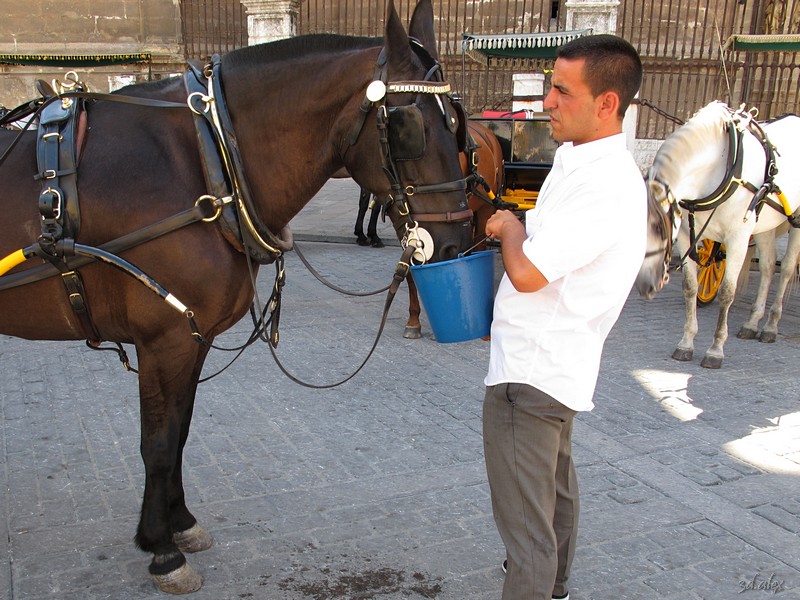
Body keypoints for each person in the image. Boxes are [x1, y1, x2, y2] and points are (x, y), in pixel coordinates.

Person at [482, 34, 647, 600]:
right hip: (553, 369)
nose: (547, 101)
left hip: (531, 373)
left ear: (607, 104)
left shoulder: (604, 183)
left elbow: (528, 275)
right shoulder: (579, 160)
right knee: (554, 501)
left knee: (528, 534)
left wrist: (509, 229)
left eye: (560, 90)